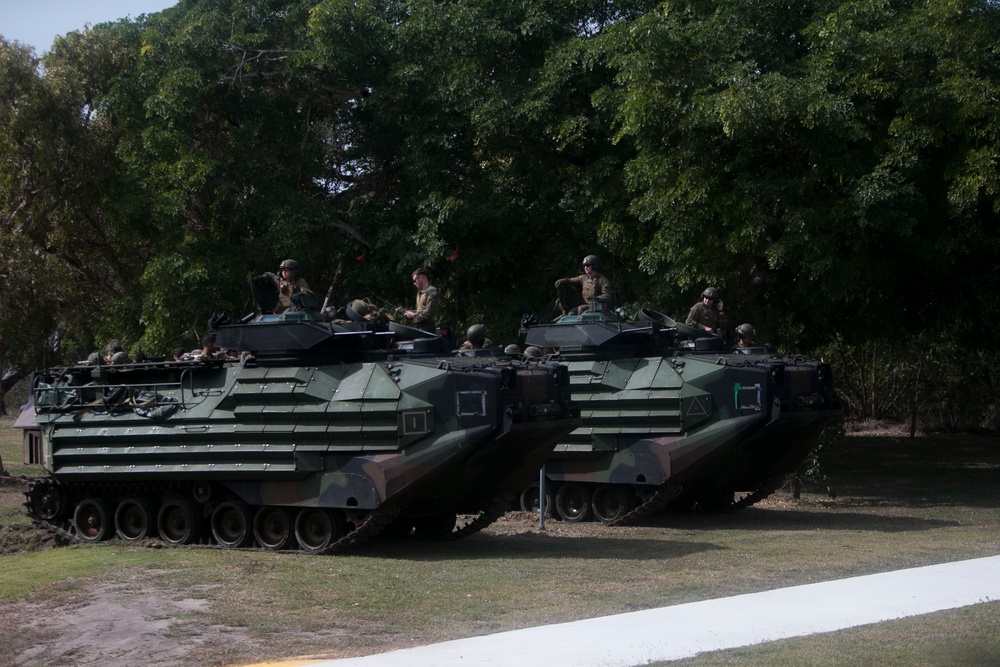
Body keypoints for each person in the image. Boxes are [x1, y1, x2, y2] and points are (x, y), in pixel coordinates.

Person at [403, 267, 439, 333]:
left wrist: (413, 315)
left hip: (427, 329)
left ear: (421, 277)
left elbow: (428, 313)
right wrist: (406, 312)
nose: (414, 283)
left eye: (414, 280)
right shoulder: (419, 293)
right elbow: (419, 311)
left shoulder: (432, 291)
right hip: (419, 328)